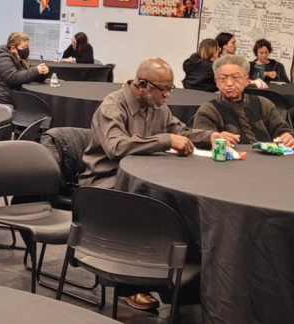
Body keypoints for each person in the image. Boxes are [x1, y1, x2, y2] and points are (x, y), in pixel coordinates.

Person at [80, 57, 237, 312]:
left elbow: (181, 131)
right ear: (141, 84)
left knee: (180, 204)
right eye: (162, 89)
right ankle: (129, 286)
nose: (167, 95)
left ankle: (182, 287)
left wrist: (210, 135)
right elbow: (116, 146)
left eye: (170, 89)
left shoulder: (158, 107)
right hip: (105, 182)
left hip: (141, 179)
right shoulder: (112, 106)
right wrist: (164, 140)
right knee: (152, 210)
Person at [193, 54, 294, 147]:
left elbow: (284, 131)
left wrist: (288, 137)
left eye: (235, 78)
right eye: (223, 78)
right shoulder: (208, 110)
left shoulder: (264, 104)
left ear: (246, 81)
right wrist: (214, 138)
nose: (229, 83)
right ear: (216, 81)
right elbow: (202, 140)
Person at [0, 32, 49, 105]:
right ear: (13, 48)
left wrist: (42, 73)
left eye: (27, 47)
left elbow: (29, 76)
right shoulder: (2, 58)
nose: (26, 49)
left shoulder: (22, 59)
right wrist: (35, 70)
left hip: (13, 99)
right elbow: (13, 78)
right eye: (24, 47)